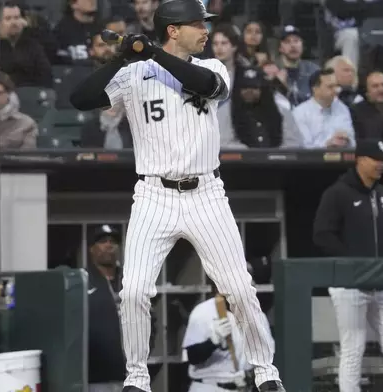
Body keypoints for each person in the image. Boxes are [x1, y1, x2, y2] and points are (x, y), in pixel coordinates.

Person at [69, 0, 284, 390]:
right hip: (154, 195)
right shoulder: (134, 73)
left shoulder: (211, 67)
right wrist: (121, 59)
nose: (206, 31)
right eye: (197, 24)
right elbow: (79, 99)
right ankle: (137, 378)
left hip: (206, 193)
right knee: (133, 290)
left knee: (237, 288)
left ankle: (266, 372)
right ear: (173, 30)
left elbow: (206, 87)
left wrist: (150, 52)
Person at [313, 139, 383, 392]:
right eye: (376, 159)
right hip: (350, 285)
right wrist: (352, 262)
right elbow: (322, 234)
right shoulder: (338, 193)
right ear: (360, 160)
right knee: (353, 348)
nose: (381, 165)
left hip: (382, 284)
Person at [86, 225, 126, 392]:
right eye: (103, 241)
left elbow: (150, 318)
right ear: (92, 249)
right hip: (96, 378)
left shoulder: (130, 279)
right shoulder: (83, 281)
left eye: (113, 242)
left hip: (131, 376)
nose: (109, 245)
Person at [293, 68, 355, 149]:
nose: (336, 90)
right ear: (315, 89)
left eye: (336, 86)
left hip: (342, 158)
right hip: (314, 160)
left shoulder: (342, 108)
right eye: (330, 87)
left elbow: (353, 141)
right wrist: (327, 144)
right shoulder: (300, 113)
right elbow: (304, 147)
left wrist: (347, 140)